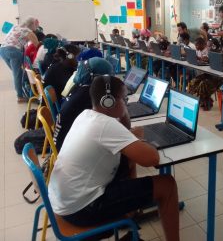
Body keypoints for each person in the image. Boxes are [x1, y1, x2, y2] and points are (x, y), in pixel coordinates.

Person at [48, 76, 180, 241]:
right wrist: (139, 140)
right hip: (81, 210)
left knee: (127, 161)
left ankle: (131, 211)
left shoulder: (86, 115)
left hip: (65, 202)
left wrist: (124, 116)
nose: (126, 103)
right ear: (108, 101)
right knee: (167, 185)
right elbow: (152, 159)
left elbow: (123, 131)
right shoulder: (105, 126)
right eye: (124, 99)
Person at [54, 57, 114, 152]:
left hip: (61, 146)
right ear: (97, 78)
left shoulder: (79, 88)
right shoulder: (88, 96)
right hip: (69, 151)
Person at [0, 17, 40, 102]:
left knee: (18, 73)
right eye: (36, 26)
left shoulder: (16, 27)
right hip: (13, 51)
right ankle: (20, 97)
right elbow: (38, 46)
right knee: (18, 74)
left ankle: (22, 92)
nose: (36, 28)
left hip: (3, 50)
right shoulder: (28, 31)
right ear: (33, 25)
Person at [188, 38, 222, 110]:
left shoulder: (219, 55)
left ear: (214, 46)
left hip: (216, 78)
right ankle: (194, 101)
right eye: (207, 46)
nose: (207, 48)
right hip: (208, 75)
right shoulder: (208, 54)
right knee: (193, 82)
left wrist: (209, 60)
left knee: (203, 84)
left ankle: (206, 103)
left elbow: (220, 70)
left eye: (209, 46)